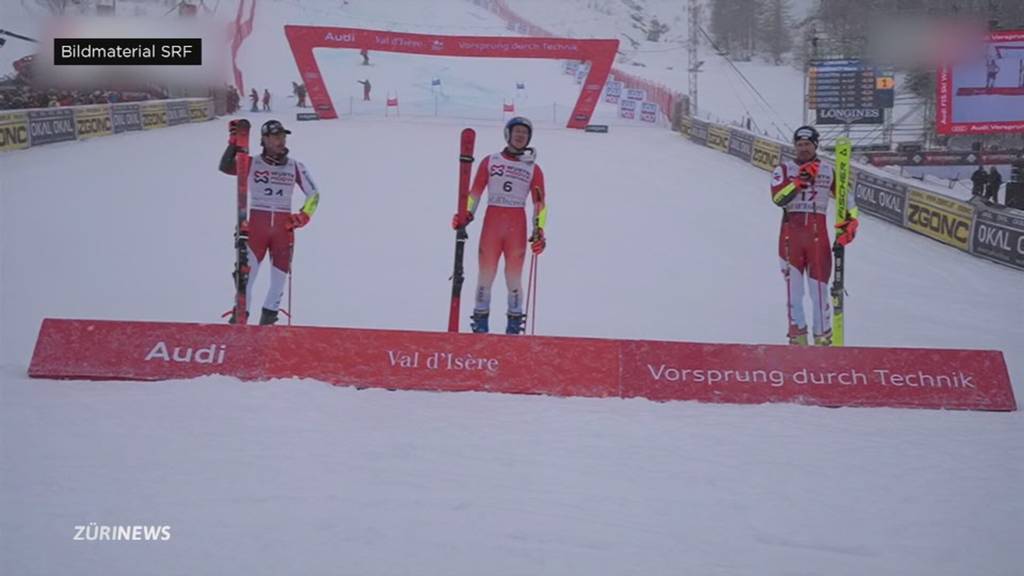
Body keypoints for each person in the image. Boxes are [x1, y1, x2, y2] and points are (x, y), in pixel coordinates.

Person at [218, 120, 321, 325]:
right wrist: (233, 142)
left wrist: (302, 217)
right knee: (245, 281)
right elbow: (226, 167)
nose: (281, 140)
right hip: (256, 227)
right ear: (264, 139)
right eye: (276, 137)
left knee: (278, 283)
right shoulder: (251, 162)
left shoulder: (295, 166)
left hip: (283, 230)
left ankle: (267, 325)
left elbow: (314, 195)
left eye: (283, 136)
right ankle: (239, 320)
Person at [452, 117, 547, 334]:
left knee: (513, 277)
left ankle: (514, 324)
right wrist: (466, 214)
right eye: (517, 132)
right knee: (486, 275)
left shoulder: (534, 169)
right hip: (492, 223)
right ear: (508, 134)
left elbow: (540, 203)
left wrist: (539, 230)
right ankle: (480, 321)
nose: (521, 136)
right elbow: (474, 192)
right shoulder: (491, 161)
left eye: (525, 133)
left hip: (517, 223)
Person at [770, 125, 859, 346]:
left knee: (819, 292)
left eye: (807, 144)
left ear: (815, 145)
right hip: (791, 237)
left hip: (818, 236)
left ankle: (823, 338)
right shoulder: (783, 169)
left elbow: (846, 199)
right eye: (799, 145)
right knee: (794, 293)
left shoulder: (829, 170)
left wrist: (851, 221)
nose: (803, 149)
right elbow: (778, 198)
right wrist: (798, 183)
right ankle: (797, 337)